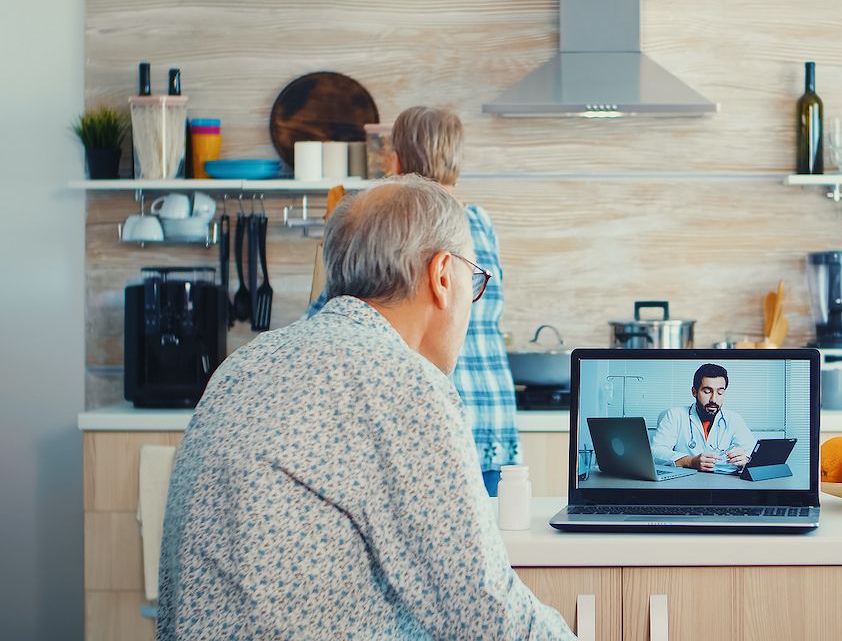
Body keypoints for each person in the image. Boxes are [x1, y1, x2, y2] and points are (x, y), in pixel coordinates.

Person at [158, 177, 574, 640]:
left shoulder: (243, 365)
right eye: (472, 279)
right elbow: (485, 612)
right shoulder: (403, 384)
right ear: (441, 276)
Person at [308, 106, 519, 496]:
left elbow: (325, 320)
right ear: (455, 158)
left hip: (427, 418)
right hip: (492, 411)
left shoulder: (395, 229)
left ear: (397, 159)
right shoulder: (480, 223)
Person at [650, 363, 758, 472]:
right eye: (707, 391)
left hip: (723, 482)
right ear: (694, 392)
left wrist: (746, 460)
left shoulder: (734, 418)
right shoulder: (675, 415)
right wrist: (690, 461)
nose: (713, 399)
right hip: (686, 480)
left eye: (720, 392)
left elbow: (754, 453)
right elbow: (655, 452)